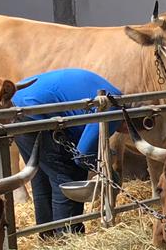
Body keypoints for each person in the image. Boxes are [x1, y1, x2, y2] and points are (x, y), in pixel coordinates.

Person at [10, 67, 121, 237]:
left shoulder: (112, 93)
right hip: (36, 110)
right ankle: (67, 238)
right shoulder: (114, 107)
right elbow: (81, 156)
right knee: (67, 175)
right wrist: (109, 174)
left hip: (18, 106)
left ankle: (47, 236)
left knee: (41, 178)